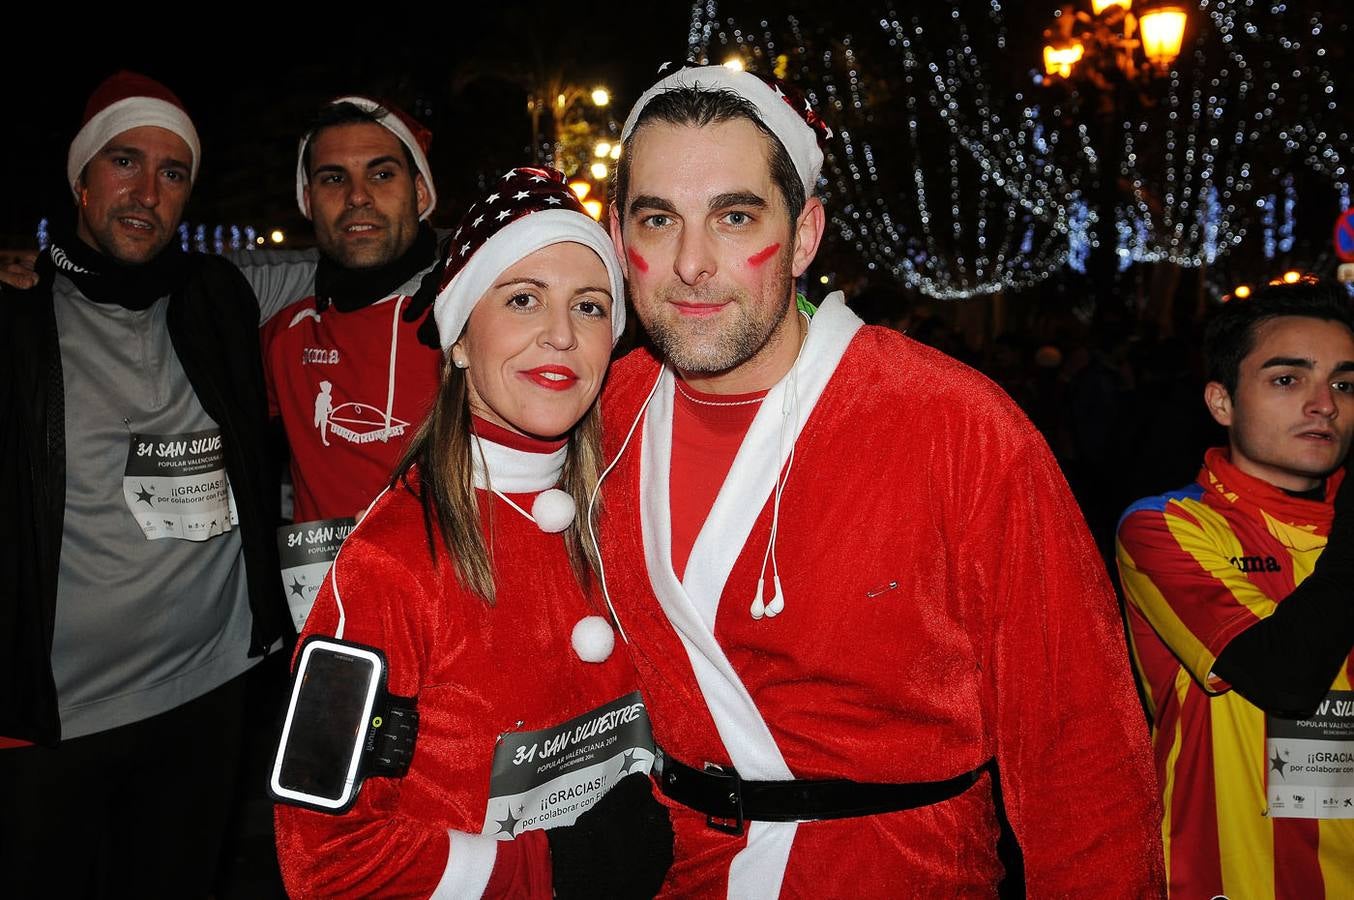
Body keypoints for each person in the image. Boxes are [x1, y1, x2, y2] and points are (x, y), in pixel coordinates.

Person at [596, 62, 1165, 896]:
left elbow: (1081, 750)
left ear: (804, 235)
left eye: (735, 216)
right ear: (619, 238)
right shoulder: (603, 414)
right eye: (657, 219)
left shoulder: (956, 426)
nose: (691, 262)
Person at [274, 167, 672, 898]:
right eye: (523, 299)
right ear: (458, 340)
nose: (561, 335)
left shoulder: (630, 515)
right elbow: (325, 858)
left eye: (590, 307)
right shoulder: (385, 564)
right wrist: (549, 872)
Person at [0, 71, 288, 897]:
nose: (146, 191)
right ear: (82, 178)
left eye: (173, 173)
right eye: (125, 162)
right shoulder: (17, 315)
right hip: (51, 719)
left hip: (210, 687)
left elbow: (357, 261)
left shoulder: (219, 298)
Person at [1117, 279, 1354, 899]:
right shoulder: (1166, 526)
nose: (1324, 404)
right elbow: (1283, 675)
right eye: (1287, 379)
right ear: (1221, 403)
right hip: (1229, 879)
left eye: (1345, 383)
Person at [255, 96, 444, 527]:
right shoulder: (285, 333)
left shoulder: (478, 315)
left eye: (381, 174)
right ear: (307, 199)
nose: (358, 196)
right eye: (333, 178)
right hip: (322, 593)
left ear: (419, 192)